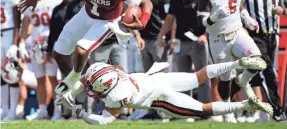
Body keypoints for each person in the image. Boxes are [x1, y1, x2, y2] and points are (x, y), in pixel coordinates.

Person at [18, 0, 153, 109]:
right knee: (59, 52)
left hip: (107, 21)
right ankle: (75, 88)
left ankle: (72, 80)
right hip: (86, 13)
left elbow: (146, 3)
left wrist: (142, 22)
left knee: (81, 51)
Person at [68, 57, 270, 125]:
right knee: (197, 77)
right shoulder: (113, 74)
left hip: (161, 98)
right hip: (157, 79)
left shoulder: (113, 96)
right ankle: (237, 63)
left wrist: (82, 113)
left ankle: (247, 104)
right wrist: (70, 90)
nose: (89, 87)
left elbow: (104, 121)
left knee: (203, 110)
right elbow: (90, 79)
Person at [195, 0, 272, 122]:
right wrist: (215, 16)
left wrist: (247, 18)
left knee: (257, 59)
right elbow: (201, 21)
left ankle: (243, 80)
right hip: (217, 39)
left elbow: (238, 4)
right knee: (224, 78)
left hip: (237, 32)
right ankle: (228, 109)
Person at [241, 0, 287, 122]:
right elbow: (237, 8)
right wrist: (245, 19)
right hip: (255, 37)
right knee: (266, 70)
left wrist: (283, 11)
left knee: (265, 73)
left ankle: (262, 109)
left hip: (272, 37)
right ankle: (276, 109)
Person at [158, 0, 211, 104]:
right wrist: (161, 35)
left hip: (198, 41)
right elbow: (170, 19)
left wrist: (205, 36)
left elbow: (210, 19)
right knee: (183, 78)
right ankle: (186, 109)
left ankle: (206, 109)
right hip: (181, 42)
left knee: (202, 76)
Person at [19, 0, 63, 120]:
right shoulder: (30, 3)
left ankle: (57, 111)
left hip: (50, 44)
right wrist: (21, 43)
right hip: (36, 46)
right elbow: (25, 27)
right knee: (40, 79)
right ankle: (42, 110)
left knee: (52, 78)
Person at [0, 0, 22, 120]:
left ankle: (13, 110)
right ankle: (4, 109)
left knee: (12, 72)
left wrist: (15, 44)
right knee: (1, 74)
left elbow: (17, 22)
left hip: (8, 34)